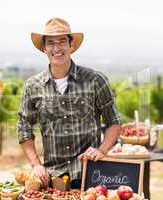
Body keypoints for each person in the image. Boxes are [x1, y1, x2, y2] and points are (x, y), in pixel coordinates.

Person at [17, 17, 121, 188]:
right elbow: (24, 127)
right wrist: (36, 164)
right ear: (44, 48)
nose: (56, 48)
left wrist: (101, 150)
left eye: (62, 41)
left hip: (90, 174)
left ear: (71, 45)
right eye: (50, 43)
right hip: (53, 178)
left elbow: (114, 122)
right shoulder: (33, 86)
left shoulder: (95, 80)